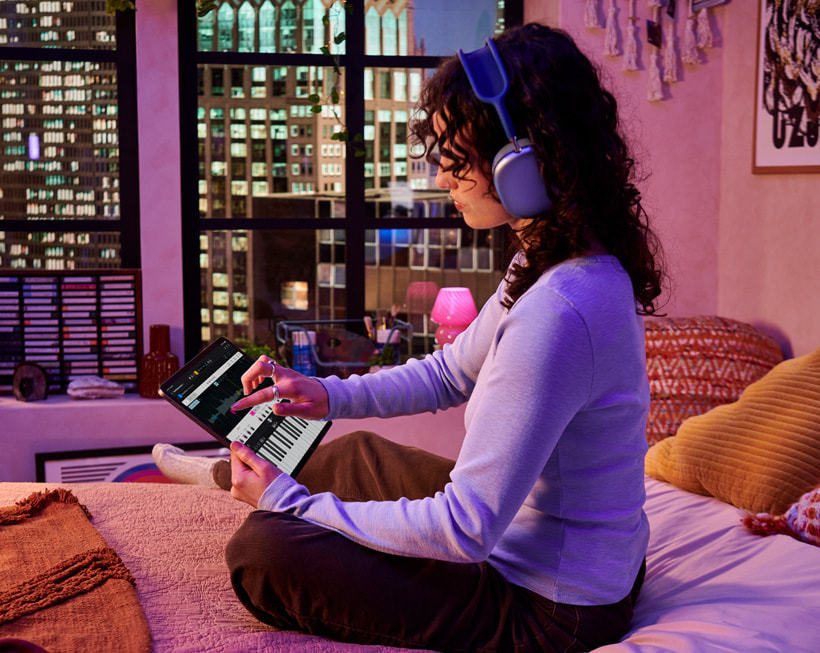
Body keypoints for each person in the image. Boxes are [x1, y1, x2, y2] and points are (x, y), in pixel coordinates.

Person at [163, 22, 664, 652]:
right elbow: (451, 372)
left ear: (525, 162)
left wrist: (290, 505)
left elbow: (465, 530)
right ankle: (222, 474)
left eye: (457, 161)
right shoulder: (552, 257)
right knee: (356, 453)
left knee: (262, 549)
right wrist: (327, 393)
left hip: (553, 609)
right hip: (564, 555)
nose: (442, 180)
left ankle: (267, 495)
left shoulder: (561, 311)